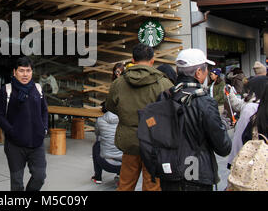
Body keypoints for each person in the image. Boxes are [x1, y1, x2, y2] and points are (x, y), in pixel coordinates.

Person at [159, 49, 231, 191]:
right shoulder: (204, 101)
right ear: (198, 72)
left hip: (169, 172)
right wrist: (222, 124)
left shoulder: (164, 96)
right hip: (196, 174)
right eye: (206, 69)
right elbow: (223, 147)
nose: (207, 73)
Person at [106, 43, 173, 191]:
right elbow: (171, 111)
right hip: (154, 141)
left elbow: (110, 106)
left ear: (133, 60)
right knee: (152, 185)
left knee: (125, 184)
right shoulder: (164, 83)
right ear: (152, 60)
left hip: (129, 140)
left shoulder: (118, 83)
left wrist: (126, 114)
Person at [0, 56, 48, 191]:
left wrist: (44, 128)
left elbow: (44, 110)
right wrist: (12, 131)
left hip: (36, 143)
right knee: (17, 183)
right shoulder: (6, 91)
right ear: (14, 72)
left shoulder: (37, 89)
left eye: (28, 70)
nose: (25, 74)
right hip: (15, 145)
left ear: (32, 72)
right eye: (21, 70)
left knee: (39, 176)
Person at [226, 81, 267, 170]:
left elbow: (243, 136)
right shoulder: (252, 107)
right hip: (253, 165)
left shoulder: (254, 107)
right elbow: (241, 136)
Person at [91, 103, 122, 185]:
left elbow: (97, 134)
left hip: (105, 163)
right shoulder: (126, 120)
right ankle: (120, 175)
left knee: (96, 145)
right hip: (124, 165)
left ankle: (97, 177)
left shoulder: (100, 120)